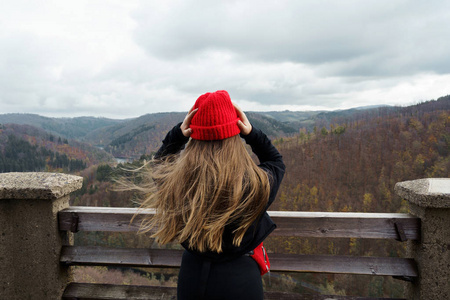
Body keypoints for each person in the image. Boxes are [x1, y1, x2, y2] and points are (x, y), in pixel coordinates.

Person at [136, 90, 285, 299]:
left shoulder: (179, 185)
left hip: (193, 277)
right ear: (234, 134)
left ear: (194, 135)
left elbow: (160, 164)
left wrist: (178, 135)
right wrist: (251, 133)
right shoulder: (255, 186)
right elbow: (275, 162)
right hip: (241, 280)